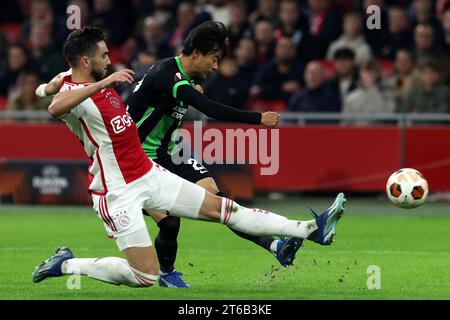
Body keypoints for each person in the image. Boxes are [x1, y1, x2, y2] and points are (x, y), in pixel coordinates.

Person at [32, 26, 346, 289]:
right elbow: (53, 107)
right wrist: (97, 83)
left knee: (226, 208)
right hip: (116, 189)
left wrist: (48, 85)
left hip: (148, 172)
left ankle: (309, 229)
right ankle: (68, 263)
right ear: (86, 61)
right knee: (144, 276)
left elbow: (46, 89)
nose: (110, 60)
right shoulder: (79, 94)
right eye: (103, 55)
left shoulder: (77, 77)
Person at [126, 22, 302, 288]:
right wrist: (258, 119)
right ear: (196, 53)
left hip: (171, 153)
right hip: (137, 161)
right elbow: (209, 109)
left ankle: (275, 245)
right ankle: (166, 273)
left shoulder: (188, 77)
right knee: (170, 223)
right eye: (214, 59)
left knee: (220, 203)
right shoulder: (167, 74)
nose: (216, 66)